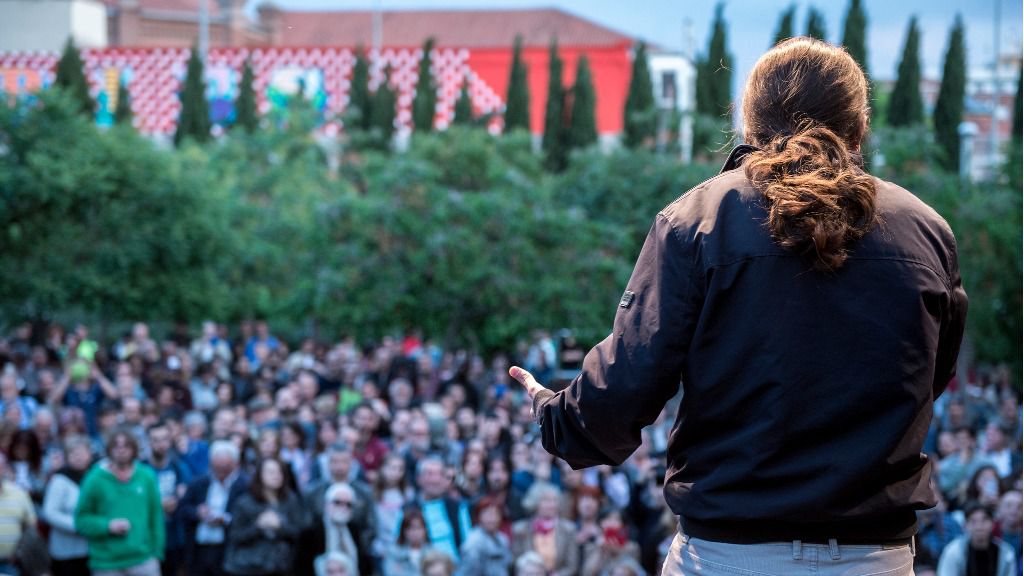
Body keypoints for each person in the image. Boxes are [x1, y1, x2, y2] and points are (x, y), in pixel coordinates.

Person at [511, 36, 968, 575]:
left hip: (729, 556)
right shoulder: (926, 232)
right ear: (858, 126)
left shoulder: (696, 222)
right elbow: (929, 381)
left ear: (752, 123)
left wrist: (555, 413)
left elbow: (624, 393)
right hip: (874, 557)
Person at [75, 428, 164, 576]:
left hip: (144, 560)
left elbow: (156, 517)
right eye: (116, 445)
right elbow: (81, 520)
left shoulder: (146, 476)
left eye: (126, 445)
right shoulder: (95, 479)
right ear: (109, 449)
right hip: (107, 563)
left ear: (134, 449)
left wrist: (157, 553)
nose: (121, 450)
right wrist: (107, 526)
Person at [179, 440, 250, 576]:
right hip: (199, 549)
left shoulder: (245, 485)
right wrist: (197, 512)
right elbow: (182, 510)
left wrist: (226, 519)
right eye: (217, 468)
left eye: (225, 469)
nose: (220, 473)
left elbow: (250, 518)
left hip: (229, 550)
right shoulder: (199, 483)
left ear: (235, 465)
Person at [222, 457, 303, 576]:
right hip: (249, 566)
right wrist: (258, 526)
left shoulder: (290, 500)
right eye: (271, 472)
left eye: (279, 472)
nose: (276, 475)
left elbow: (299, 531)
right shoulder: (245, 502)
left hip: (280, 566)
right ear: (259, 475)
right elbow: (235, 536)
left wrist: (280, 526)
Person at [42, 435, 94, 576]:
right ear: (66, 456)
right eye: (73, 453)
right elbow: (50, 513)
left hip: (91, 548)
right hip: (66, 551)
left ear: (90, 454)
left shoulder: (95, 477)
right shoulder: (59, 480)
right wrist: (78, 525)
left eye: (82, 452)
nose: (79, 457)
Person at [511, 482, 578, 576]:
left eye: (554, 500)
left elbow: (572, 566)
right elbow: (516, 562)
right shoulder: (520, 529)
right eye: (546, 501)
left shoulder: (568, 529)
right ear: (535, 502)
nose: (552, 505)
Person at [937, 503, 1016, 576]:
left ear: (992, 523)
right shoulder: (954, 551)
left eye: (984, 520)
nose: (979, 526)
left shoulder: (1006, 551)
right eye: (973, 521)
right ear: (965, 525)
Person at [456, 495, 513, 576]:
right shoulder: (474, 542)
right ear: (479, 517)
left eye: (495, 514)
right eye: (487, 515)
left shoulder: (502, 538)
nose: (491, 519)